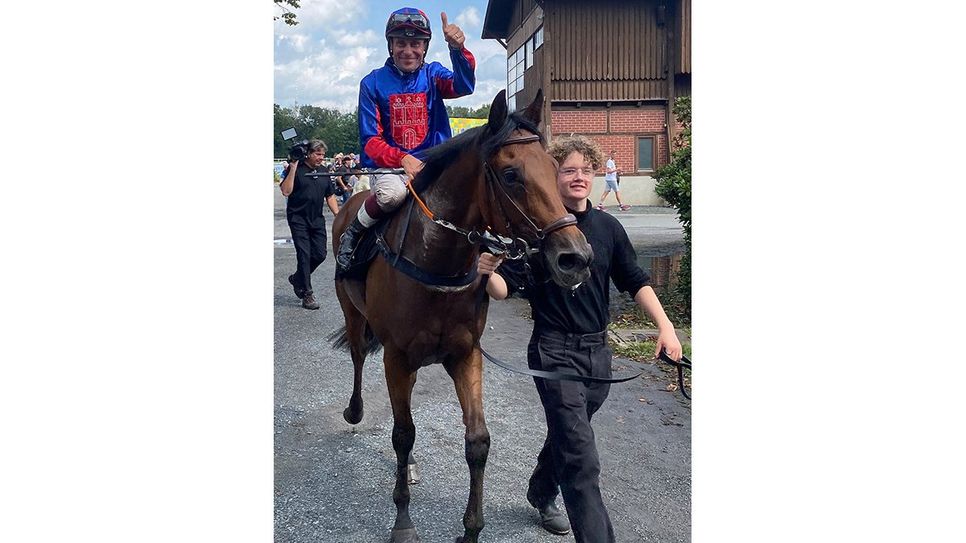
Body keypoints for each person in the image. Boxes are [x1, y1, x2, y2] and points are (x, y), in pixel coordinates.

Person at [477, 135, 683, 541]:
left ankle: (540, 490)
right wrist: (488, 273)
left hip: (598, 352)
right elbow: (506, 290)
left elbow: (635, 280)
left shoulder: (608, 227)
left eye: (585, 171)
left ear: (594, 175)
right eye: (568, 170)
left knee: (570, 432)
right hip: (553, 350)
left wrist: (666, 326)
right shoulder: (535, 233)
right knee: (580, 455)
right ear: (554, 177)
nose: (578, 177)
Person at [335, 7, 476, 271]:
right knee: (390, 196)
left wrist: (458, 50)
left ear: (425, 47)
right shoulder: (372, 83)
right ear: (390, 45)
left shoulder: (433, 74)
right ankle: (353, 233)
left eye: (415, 43)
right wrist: (402, 158)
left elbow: (464, 86)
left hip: (433, 165)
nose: (408, 50)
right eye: (401, 43)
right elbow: (369, 142)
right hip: (392, 168)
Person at [279, 140, 341, 309]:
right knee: (304, 255)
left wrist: (338, 214)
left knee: (320, 254)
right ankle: (307, 293)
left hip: (317, 220)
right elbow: (286, 191)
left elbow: (330, 196)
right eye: (317, 154)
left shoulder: (323, 172)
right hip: (298, 219)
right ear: (308, 153)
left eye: (322, 154)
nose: (321, 158)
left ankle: (298, 278)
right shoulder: (297, 170)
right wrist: (292, 168)